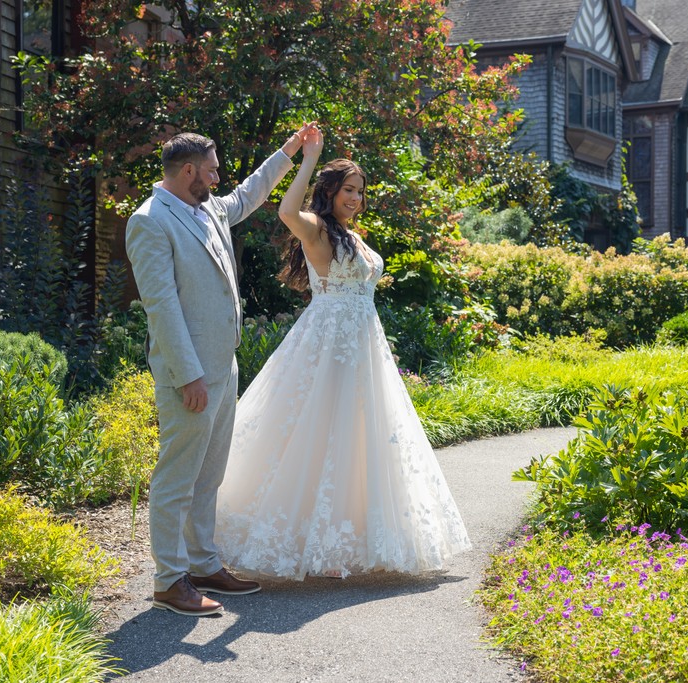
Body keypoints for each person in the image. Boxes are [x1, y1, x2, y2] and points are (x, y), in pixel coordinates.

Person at [214, 124, 472, 579]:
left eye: (360, 191)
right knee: (317, 436)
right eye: (348, 190)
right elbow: (287, 210)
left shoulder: (352, 237)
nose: (356, 198)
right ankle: (303, 543)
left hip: (364, 350)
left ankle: (349, 541)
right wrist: (308, 156)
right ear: (330, 192)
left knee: (359, 442)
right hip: (327, 347)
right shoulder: (317, 231)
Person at [126, 125, 312, 616]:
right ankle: (169, 581)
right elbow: (161, 305)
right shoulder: (149, 221)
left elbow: (249, 194)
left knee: (208, 475)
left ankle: (204, 564)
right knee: (177, 478)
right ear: (188, 171)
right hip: (188, 373)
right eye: (211, 168)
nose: (218, 175)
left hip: (222, 364)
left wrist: (289, 151)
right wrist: (187, 375)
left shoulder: (206, 207)